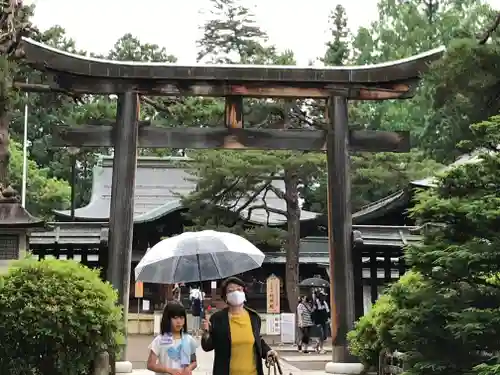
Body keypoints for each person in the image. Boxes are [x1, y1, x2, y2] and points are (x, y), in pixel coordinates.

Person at [201, 276, 278, 375]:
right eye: (230, 291)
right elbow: (208, 346)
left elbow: (257, 340)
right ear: (225, 297)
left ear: (244, 293)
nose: (236, 293)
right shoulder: (217, 319)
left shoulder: (254, 317)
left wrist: (268, 351)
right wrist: (206, 331)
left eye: (239, 289)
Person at [147, 303, 198, 375]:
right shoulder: (159, 340)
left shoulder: (189, 340)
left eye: (182, 318)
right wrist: (168, 370)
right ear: (168, 319)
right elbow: (150, 364)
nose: (179, 321)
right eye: (175, 318)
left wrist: (188, 368)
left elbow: (194, 362)